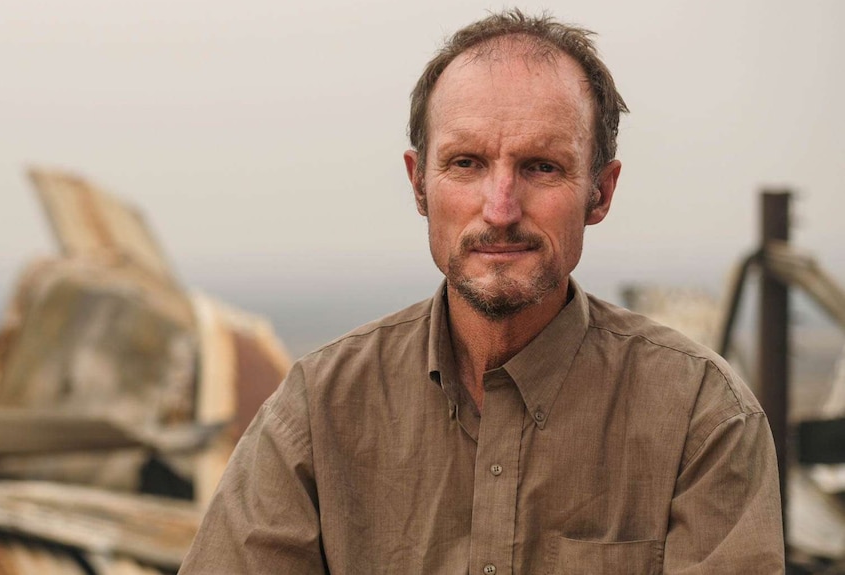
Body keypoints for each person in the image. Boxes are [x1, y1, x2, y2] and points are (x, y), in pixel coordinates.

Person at [179, 9, 784, 574]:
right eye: (466, 163)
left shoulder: (701, 418)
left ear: (600, 193)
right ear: (419, 186)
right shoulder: (319, 410)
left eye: (541, 166)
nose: (499, 209)